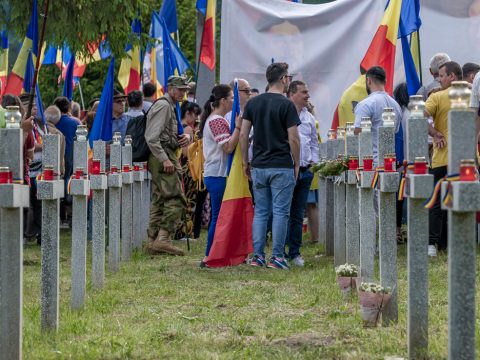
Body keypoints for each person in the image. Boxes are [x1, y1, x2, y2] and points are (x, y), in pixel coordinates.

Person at [240, 62, 300, 270]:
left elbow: (243, 134)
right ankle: (277, 257)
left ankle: (257, 256)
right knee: (281, 212)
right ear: (283, 79)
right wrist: (297, 163)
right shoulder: (287, 105)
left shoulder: (253, 103)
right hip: (281, 164)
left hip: (259, 165)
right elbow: (294, 138)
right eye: (288, 78)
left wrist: (244, 162)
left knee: (261, 212)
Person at [144, 76, 191, 256]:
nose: (183, 93)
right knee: (175, 198)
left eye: (185, 90)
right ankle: (163, 239)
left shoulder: (170, 105)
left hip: (164, 153)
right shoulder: (164, 105)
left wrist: (183, 138)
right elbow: (151, 136)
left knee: (160, 199)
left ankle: (152, 241)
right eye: (180, 89)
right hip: (162, 155)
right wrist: (165, 159)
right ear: (170, 88)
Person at [200, 84, 242, 266]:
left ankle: (216, 254)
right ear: (223, 101)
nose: (235, 101)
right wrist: (239, 128)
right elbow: (227, 146)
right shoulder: (216, 120)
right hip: (217, 174)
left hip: (216, 174)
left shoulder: (216, 119)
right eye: (232, 98)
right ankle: (210, 256)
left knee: (220, 216)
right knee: (218, 217)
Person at [424, 61, 463, 256]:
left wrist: (434, 132)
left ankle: (432, 244)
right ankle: (453, 244)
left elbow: (419, 116)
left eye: (441, 75)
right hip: (466, 160)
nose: (439, 79)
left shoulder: (438, 96)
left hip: (442, 158)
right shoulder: (472, 93)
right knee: (458, 201)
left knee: (437, 203)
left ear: (452, 76)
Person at [284, 80, 319, 266]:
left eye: (308, 92)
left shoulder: (309, 118)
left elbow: (314, 143)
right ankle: (280, 250)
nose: (308, 95)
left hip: (305, 171)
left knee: (297, 213)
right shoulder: (282, 113)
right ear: (292, 94)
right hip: (286, 170)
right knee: (283, 212)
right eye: (304, 92)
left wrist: (314, 163)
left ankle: (295, 252)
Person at [353, 66, 402, 165]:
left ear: (368, 81)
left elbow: (358, 133)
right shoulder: (396, 105)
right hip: (390, 163)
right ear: (385, 81)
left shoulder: (366, 104)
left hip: (371, 164)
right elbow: (395, 131)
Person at [176, 101, 202, 241]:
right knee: (189, 201)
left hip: (182, 167)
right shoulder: (188, 129)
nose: (196, 118)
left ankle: (181, 232)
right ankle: (185, 232)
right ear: (188, 113)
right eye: (195, 114)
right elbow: (186, 152)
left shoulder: (179, 126)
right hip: (188, 168)